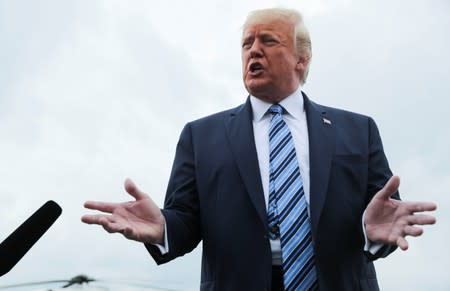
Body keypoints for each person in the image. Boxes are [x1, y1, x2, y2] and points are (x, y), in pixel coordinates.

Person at [82, 8, 437, 291]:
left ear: (302, 58)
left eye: (268, 40)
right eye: (247, 43)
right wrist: (162, 227)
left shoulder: (358, 131)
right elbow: (185, 221)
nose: (253, 50)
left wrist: (369, 231)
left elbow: (385, 218)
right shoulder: (201, 136)